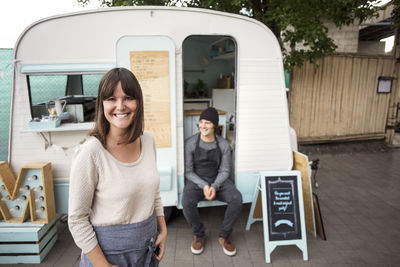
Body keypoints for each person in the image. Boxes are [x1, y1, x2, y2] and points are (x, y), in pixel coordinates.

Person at [68, 67, 167, 267]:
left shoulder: (147, 140)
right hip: (106, 257)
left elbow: (153, 192)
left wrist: (162, 230)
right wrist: (103, 265)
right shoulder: (91, 152)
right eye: (111, 99)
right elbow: (77, 220)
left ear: (138, 102)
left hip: (146, 251)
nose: (120, 106)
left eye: (128, 97)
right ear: (101, 104)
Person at [182, 107, 242, 256]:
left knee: (237, 198)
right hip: (197, 181)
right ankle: (199, 234)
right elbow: (188, 172)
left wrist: (214, 186)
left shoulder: (223, 145)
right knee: (186, 201)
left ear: (214, 125)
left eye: (207, 122)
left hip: (218, 181)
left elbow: (225, 171)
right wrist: (204, 185)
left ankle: (225, 235)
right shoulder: (190, 143)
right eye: (201, 122)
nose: (203, 125)